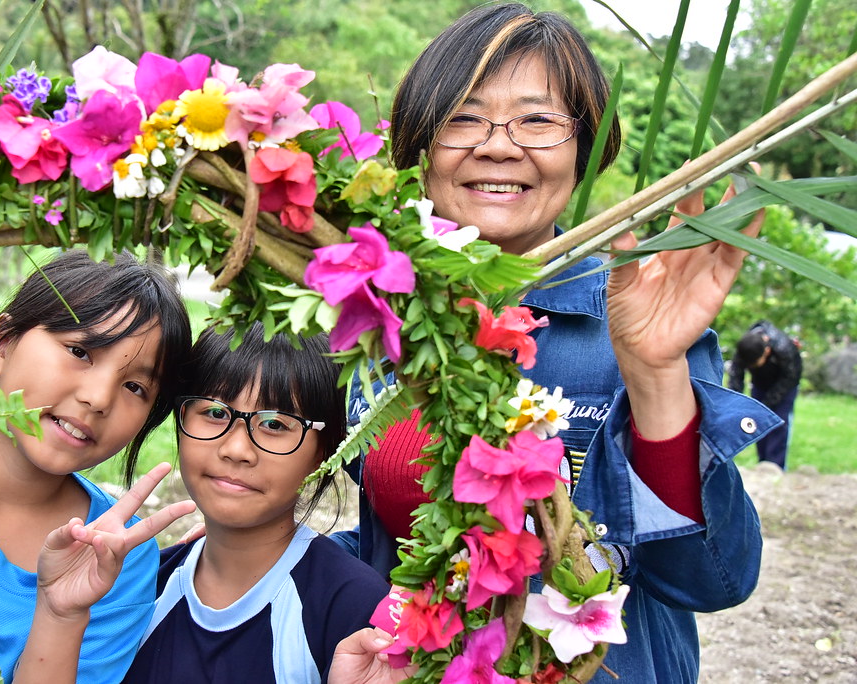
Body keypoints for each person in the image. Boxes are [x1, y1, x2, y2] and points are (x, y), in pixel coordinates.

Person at [330, 4, 782, 683]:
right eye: (463, 116)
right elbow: (388, 539)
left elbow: (713, 581)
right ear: (420, 148)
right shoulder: (376, 317)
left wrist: (655, 374)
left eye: (537, 120)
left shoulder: (634, 323)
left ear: (584, 149)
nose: (498, 145)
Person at [14, 323, 393, 684]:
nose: (236, 449)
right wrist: (60, 612)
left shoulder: (353, 607)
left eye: (276, 424)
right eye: (214, 413)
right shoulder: (144, 585)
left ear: (326, 452)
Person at [0, 249, 193, 682]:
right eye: (80, 351)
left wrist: (61, 613)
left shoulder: (116, 558)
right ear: (3, 345)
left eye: (135, 386)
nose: (99, 398)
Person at [728, 320, 803, 469]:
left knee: (779, 423)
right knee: (759, 422)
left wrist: (768, 402)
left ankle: (776, 467)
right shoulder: (745, 349)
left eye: (755, 364)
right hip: (760, 384)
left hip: (785, 385)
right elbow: (736, 376)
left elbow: (791, 377)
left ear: (767, 351)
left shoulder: (784, 348)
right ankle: (763, 464)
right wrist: (735, 404)